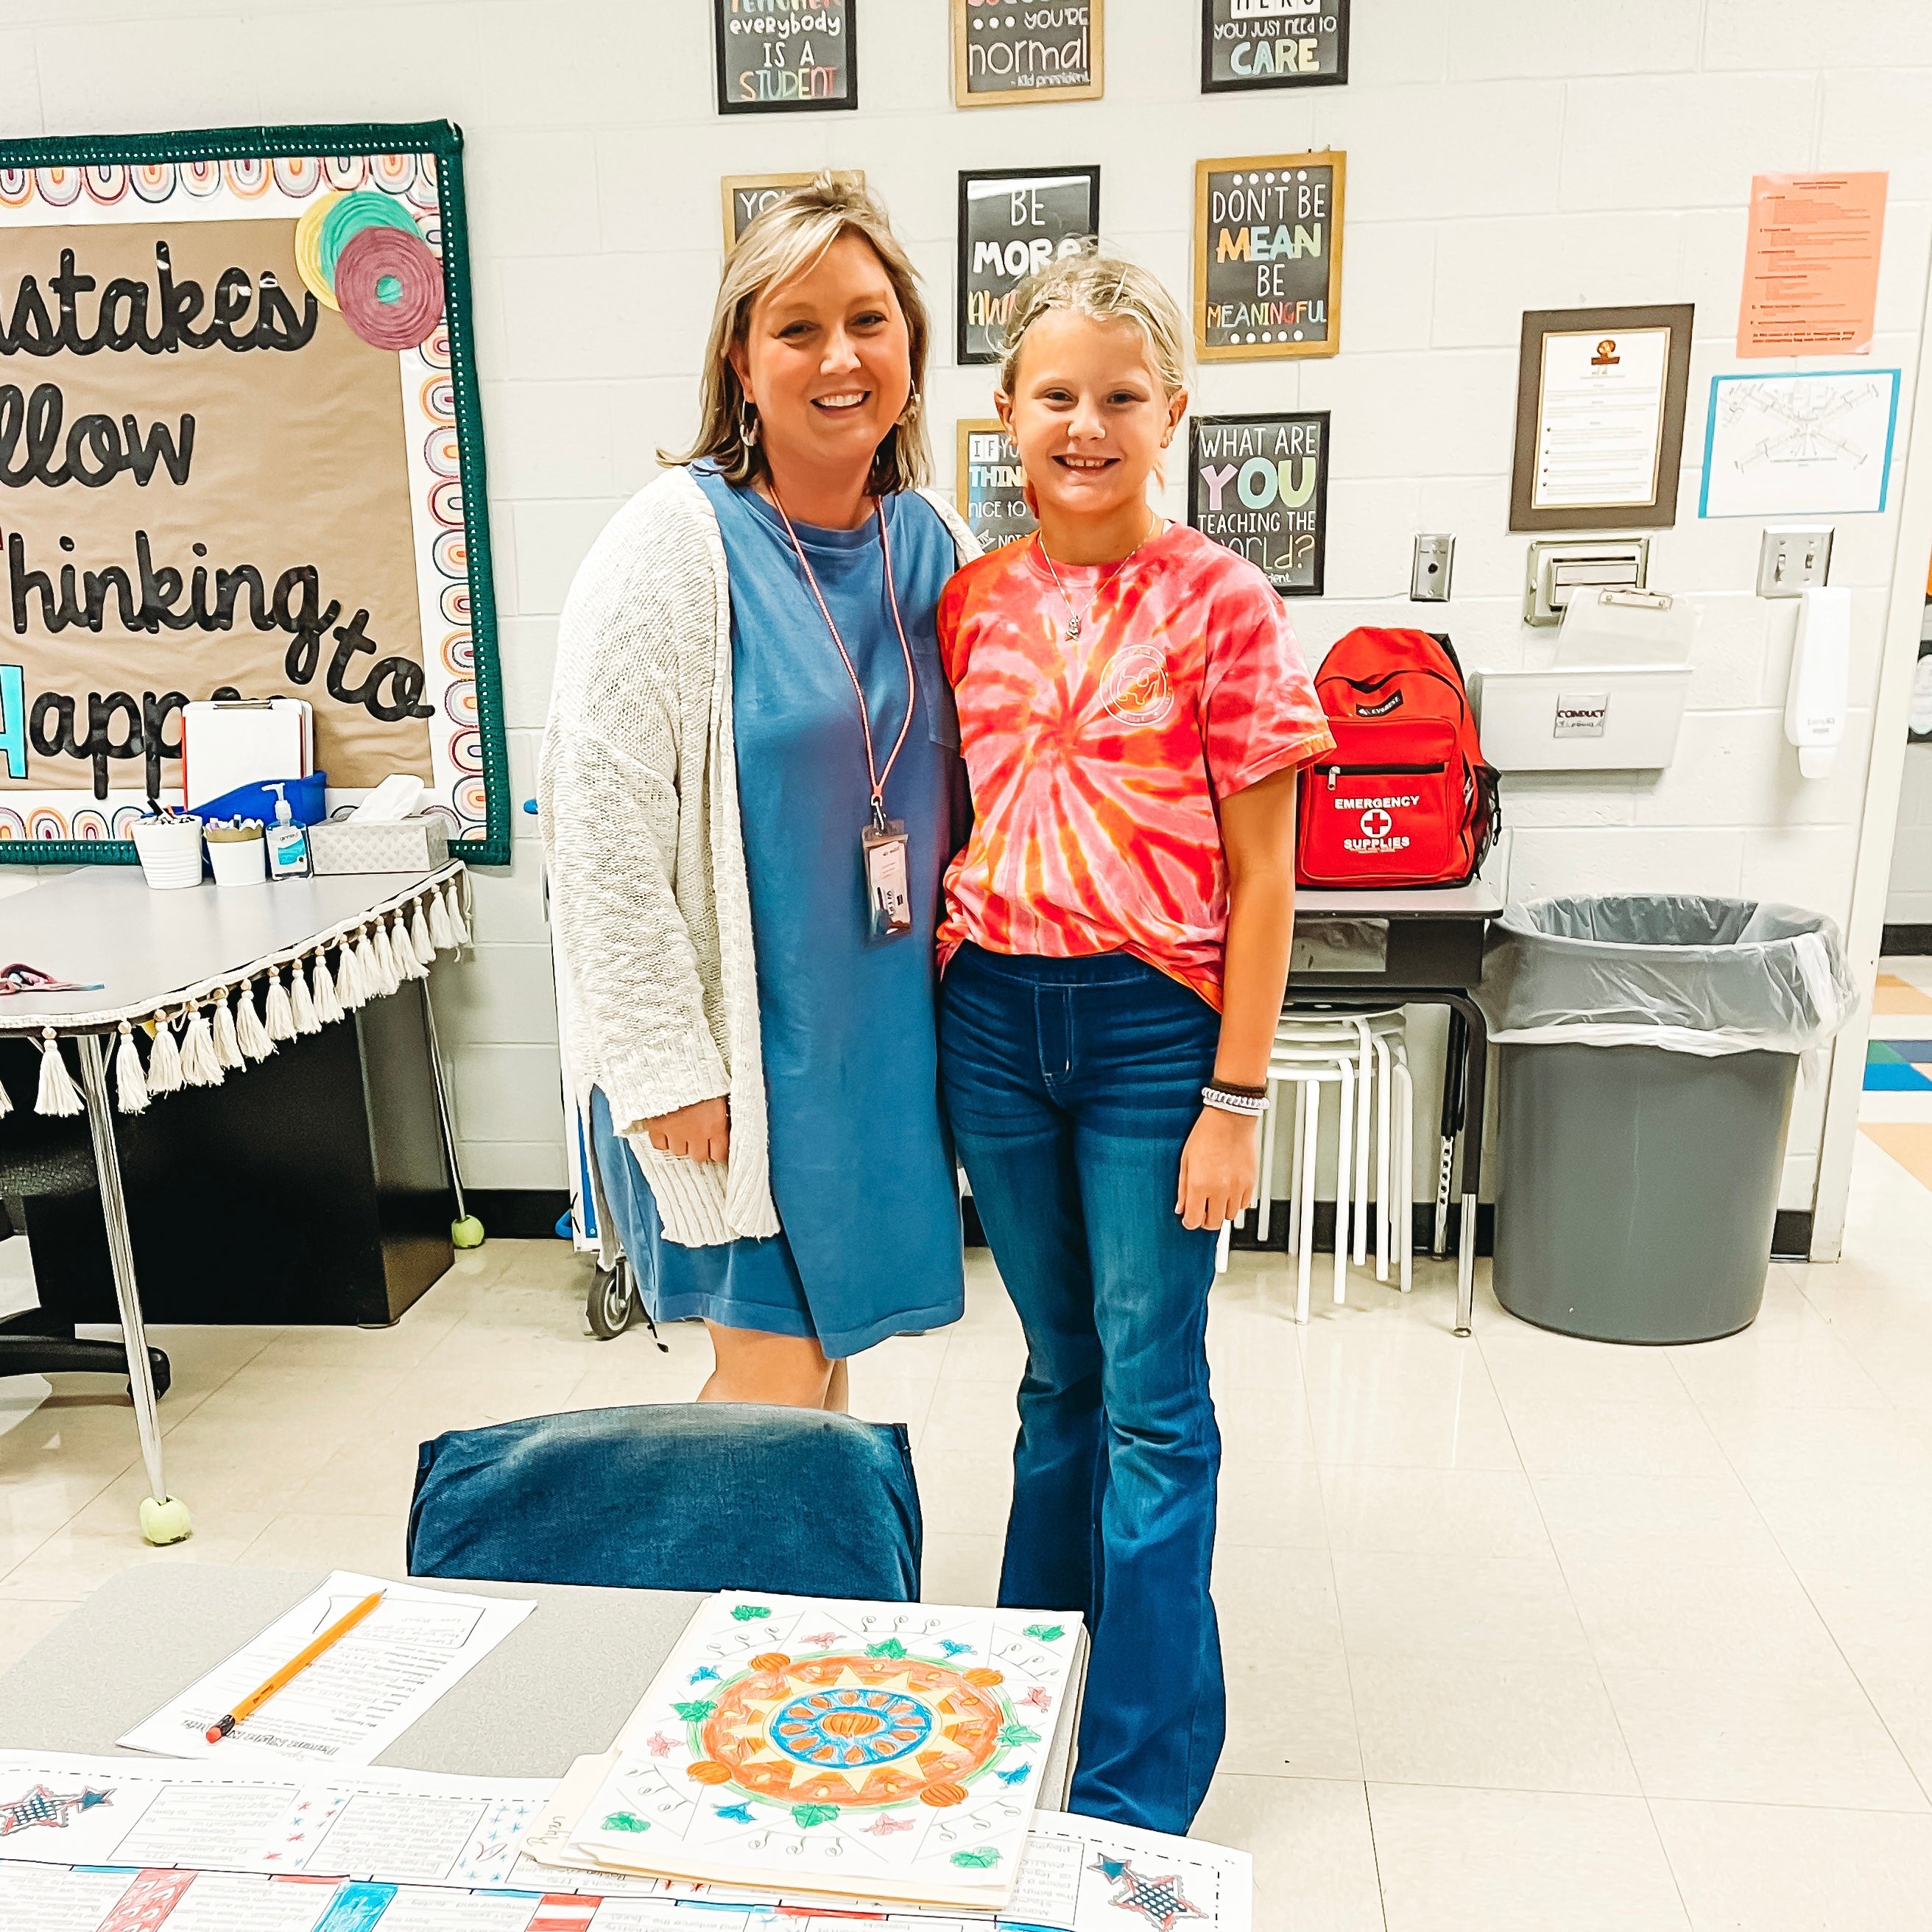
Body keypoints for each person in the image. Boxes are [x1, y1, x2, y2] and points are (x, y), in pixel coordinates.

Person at [935, 250, 1333, 1831]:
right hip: (992, 1023)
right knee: (1056, 1382)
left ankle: (1132, 1785)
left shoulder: (1222, 602)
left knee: (1155, 1398)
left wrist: (1234, 1095)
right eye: (1054, 395)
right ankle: (1032, 1706)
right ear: (1005, 414)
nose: (1083, 424)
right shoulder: (968, 597)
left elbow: (1265, 874)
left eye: (1117, 397)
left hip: (1152, 1034)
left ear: (1171, 412)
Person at [540, 174, 976, 1411]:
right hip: (738, 1066)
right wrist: (665, 1061)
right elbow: (596, 823)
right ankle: (722, 1598)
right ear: (741, 358)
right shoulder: (672, 544)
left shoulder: (934, 539)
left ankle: (799, 1603)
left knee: (820, 1371)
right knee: (772, 1394)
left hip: (878, 1059)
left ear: (911, 349)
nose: (839, 357)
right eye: (796, 328)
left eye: (869, 322)